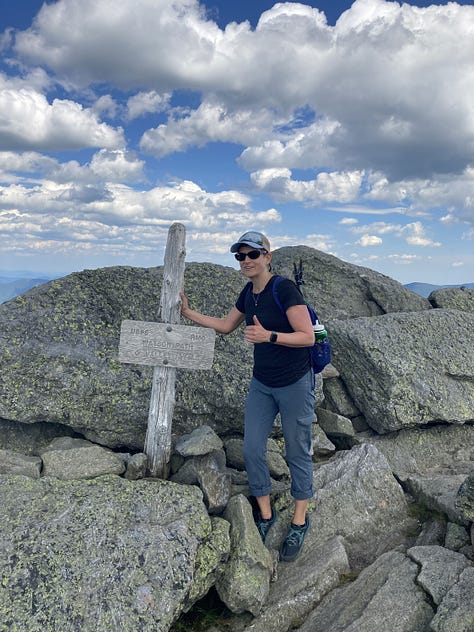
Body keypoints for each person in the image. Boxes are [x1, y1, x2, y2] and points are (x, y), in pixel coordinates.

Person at [180, 230, 315, 562]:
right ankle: (266, 514)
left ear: (267, 257)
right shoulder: (248, 293)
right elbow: (227, 326)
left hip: (295, 382)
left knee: (298, 450)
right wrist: (188, 313)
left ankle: (300, 519)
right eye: (240, 256)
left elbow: (307, 337)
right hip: (262, 384)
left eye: (252, 254)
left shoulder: (284, 288)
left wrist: (268, 335)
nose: (246, 261)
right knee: (253, 447)